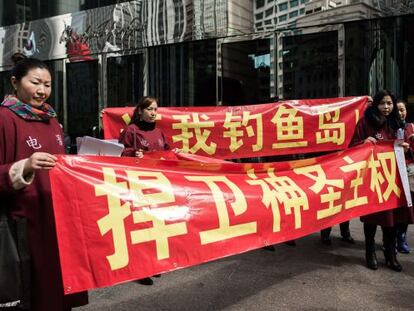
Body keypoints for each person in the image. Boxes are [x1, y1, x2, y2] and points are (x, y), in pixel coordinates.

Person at [0, 53, 88, 310]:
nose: (42, 91)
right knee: (32, 296)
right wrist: (24, 166)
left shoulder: (51, 119)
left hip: (59, 221)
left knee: (59, 294)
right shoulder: (5, 119)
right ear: (15, 82)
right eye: (35, 83)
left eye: (47, 85)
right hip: (23, 225)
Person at [350, 90, 413, 271]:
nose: (386, 107)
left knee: (391, 220)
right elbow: (352, 146)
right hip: (372, 178)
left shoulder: (397, 124)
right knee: (371, 219)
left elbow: (405, 150)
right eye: (382, 103)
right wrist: (363, 143)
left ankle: (390, 255)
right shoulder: (365, 123)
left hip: (392, 178)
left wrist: (406, 148)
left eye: (389, 103)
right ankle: (370, 252)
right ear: (376, 105)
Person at [119, 96, 169, 285]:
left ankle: (153, 264)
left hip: (157, 184)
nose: (153, 113)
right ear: (140, 111)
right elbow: (119, 152)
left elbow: (167, 151)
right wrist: (134, 153)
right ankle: (140, 270)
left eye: (155, 109)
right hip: (137, 185)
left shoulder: (159, 132)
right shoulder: (131, 130)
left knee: (156, 225)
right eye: (149, 109)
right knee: (140, 226)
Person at [395, 99, 412, 253]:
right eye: (398, 110)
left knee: (406, 207)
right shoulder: (388, 127)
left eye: (403, 109)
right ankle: (392, 238)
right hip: (392, 173)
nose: (401, 113)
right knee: (395, 207)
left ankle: (402, 237)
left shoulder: (410, 128)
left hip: (408, 174)